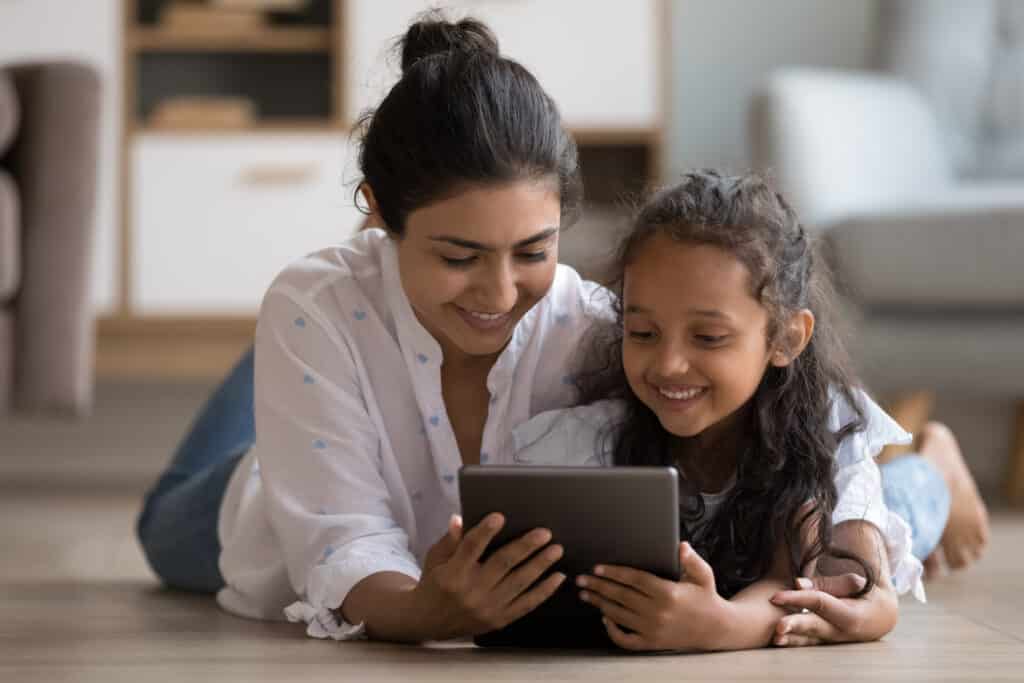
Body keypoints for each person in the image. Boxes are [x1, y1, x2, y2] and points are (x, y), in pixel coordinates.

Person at [136, 16, 988, 647]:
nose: (502, 292)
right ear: (378, 217)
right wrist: (425, 610)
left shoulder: (606, 328)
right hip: (294, 491)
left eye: (532, 251)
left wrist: (829, 583)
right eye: (460, 254)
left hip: (370, 378)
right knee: (170, 534)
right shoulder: (320, 303)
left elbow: (805, 420)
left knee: (848, 496)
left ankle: (925, 468)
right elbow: (337, 540)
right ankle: (282, 362)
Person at [505, 169, 988, 652]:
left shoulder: (823, 435)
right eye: (643, 334)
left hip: (863, 509)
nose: (668, 365)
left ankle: (936, 463)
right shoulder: (600, 434)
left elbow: (875, 605)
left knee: (902, 507)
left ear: (785, 338)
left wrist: (726, 626)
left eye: (708, 337)